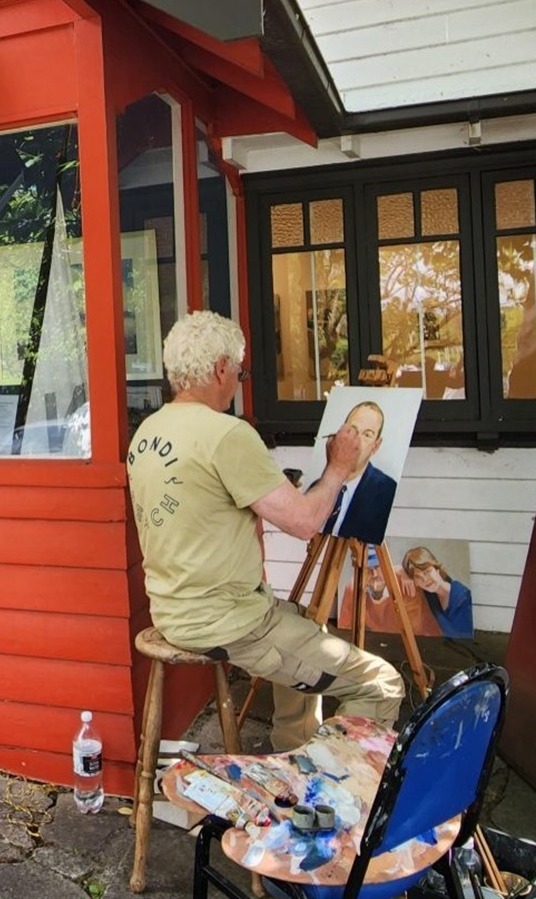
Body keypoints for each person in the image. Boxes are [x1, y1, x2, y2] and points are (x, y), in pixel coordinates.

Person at [126, 311, 405, 751]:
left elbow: (200, 503)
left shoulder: (148, 430)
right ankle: (335, 792)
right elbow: (304, 523)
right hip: (228, 623)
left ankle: (295, 754)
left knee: (308, 629)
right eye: (240, 371)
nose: (238, 381)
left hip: (172, 610)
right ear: (220, 368)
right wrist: (337, 468)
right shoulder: (226, 434)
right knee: (381, 684)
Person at [322, 400, 397, 545]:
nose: (357, 441)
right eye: (353, 430)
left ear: (376, 446)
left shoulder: (386, 491)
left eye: (367, 435)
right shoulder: (319, 486)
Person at [338, 546, 442, 638]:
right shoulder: (353, 588)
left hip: (424, 642)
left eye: (378, 567)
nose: (374, 574)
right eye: (367, 569)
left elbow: (412, 630)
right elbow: (344, 627)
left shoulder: (404, 584)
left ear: (386, 567)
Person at [402, 546, 474, 638]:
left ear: (437, 570)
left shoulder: (464, 598)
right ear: (415, 582)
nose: (425, 579)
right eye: (418, 577)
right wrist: (404, 575)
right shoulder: (429, 594)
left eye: (427, 572)